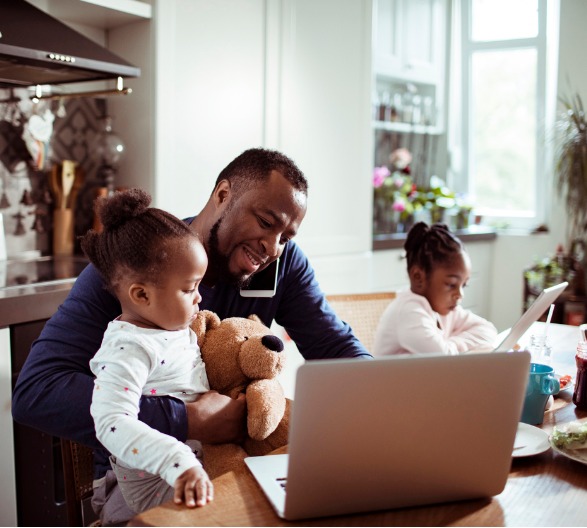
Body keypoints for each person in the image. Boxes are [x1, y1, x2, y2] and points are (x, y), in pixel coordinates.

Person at [12, 147, 371, 525]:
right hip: (147, 481)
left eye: (286, 235)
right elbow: (37, 392)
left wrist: (388, 398)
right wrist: (186, 419)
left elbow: (335, 347)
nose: (273, 247)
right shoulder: (140, 267)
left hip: (234, 463)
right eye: (266, 221)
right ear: (222, 195)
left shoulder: (282, 265)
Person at [81, 188, 213, 515]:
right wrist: (177, 461)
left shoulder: (169, 328)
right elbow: (111, 421)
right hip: (159, 483)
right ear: (141, 295)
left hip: (198, 465)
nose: (199, 298)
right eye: (189, 288)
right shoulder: (128, 346)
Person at [373, 222, 497, 356]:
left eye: (464, 285)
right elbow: (443, 357)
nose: (460, 294)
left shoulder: (445, 309)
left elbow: (488, 330)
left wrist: (452, 344)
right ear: (418, 277)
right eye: (451, 284)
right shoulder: (408, 311)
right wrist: (454, 346)